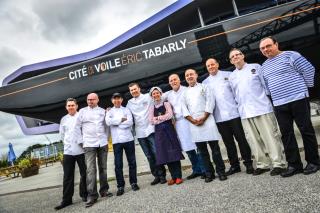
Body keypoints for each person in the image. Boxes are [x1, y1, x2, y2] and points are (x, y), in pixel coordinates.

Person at [259, 36, 320, 177]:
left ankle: (314, 162)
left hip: (298, 99)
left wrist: (305, 88)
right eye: (262, 48)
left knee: (306, 130)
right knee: (286, 134)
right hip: (279, 104)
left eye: (268, 46)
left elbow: (309, 70)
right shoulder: (264, 66)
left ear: (276, 44)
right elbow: (266, 86)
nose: (266, 50)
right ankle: (294, 165)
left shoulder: (291, 56)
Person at [228, 48, 286, 176]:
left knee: (271, 137)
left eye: (238, 54)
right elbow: (234, 95)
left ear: (243, 56)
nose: (236, 57)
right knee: (253, 141)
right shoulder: (231, 76)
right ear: (231, 61)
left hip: (262, 108)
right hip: (245, 112)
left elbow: (266, 86)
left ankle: (278, 163)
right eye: (233, 56)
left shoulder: (256, 67)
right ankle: (262, 164)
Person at [203, 58, 254, 175]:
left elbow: (237, 92)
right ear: (207, 68)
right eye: (208, 66)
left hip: (234, 114)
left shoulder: (229, 75)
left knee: (242, 140)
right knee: (228, 143)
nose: (211, 67)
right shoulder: (205, 83)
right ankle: (234, 165)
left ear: (217, 64)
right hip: (219, 118)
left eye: (213, 64)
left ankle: (248, 163)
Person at [181, 69, 227, 182]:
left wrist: (204, 117)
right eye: (187, 75)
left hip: (208, 120)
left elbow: (210, 102)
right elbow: (184, 109)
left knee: (215, 149)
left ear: (196, 75)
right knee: (202, 152)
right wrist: (193, 121)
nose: (189, 76)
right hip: (194, 124)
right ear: (185, 78)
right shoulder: (184, 93)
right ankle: (209, 173)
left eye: (191, 74)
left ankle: (221, 172)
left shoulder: (204, 87)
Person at [74, 93, 112, 208]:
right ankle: (92, 195)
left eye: (92, 99)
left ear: (97, 100)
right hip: (89, 144)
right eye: (88, 99)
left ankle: (104, 190)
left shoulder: (102, 111)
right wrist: (81, 142)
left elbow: (106, 126)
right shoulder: (82, 112)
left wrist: (106, 138)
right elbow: (77, 127)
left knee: (103, 168)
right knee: (91, 170)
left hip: (102, 143)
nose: (90, 101)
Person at [165, 74, 205, 179]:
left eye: (175, 79)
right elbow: (156, 97)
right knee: (187, 148)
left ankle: (204, 169)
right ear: (169, 83)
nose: (173, 82)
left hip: (190, 120)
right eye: (171, 80)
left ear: (179, 80)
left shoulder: (186, 90)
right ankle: (196, 170)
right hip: (179, 123)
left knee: (197, 145)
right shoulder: (168, 95)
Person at [126, 83, 166, 185]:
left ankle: (162, 175)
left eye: (135, 89)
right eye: (131, 90)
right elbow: (125, 114)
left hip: (151, 129)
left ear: (139, 89)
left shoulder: (148, 97)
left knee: (156, 152)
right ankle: (156, 175)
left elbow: (160, 97)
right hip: (140, 132)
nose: (134, 91)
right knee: (148, 155)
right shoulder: (129, 103)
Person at [55, 98, 87, 210]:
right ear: (66, 107)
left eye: (73, 105)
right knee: (67, 176)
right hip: (68, 151)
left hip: (81, 150)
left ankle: (85, 194)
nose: (71, 107)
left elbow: (85, 131)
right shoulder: (63, 119)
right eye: (69, 105)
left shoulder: (81, 116)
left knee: (85, 173)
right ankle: (67, 200)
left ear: (76, 106)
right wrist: (67, 144)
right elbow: (62, 135)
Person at [105, 93, 140, 196]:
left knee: (132, 162)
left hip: (128, 139)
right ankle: (120, 186)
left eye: (118, 99)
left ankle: (133, 183)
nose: (117, 101)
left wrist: (116, 123)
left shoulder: (126, 110)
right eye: (114, 99)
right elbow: (108, 122)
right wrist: (121, 120)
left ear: (121, 100)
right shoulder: (109, 111)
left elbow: (130, 122)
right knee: (118, 165)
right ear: (112, 100)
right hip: (116, 141)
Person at [149, 87, 185, 185]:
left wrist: (158, 118)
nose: (156, 95)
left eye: (157, 93)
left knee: (174, 152)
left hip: (169, 130)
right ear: (151, 96)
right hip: (159, 133)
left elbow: (170, 115)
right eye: (154, 94)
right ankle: (173, 177)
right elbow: (151, 121)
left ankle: (178, 176)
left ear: (161, 94)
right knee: (166, 154)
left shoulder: (166, 103)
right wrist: (162, 117)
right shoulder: (152, 107)